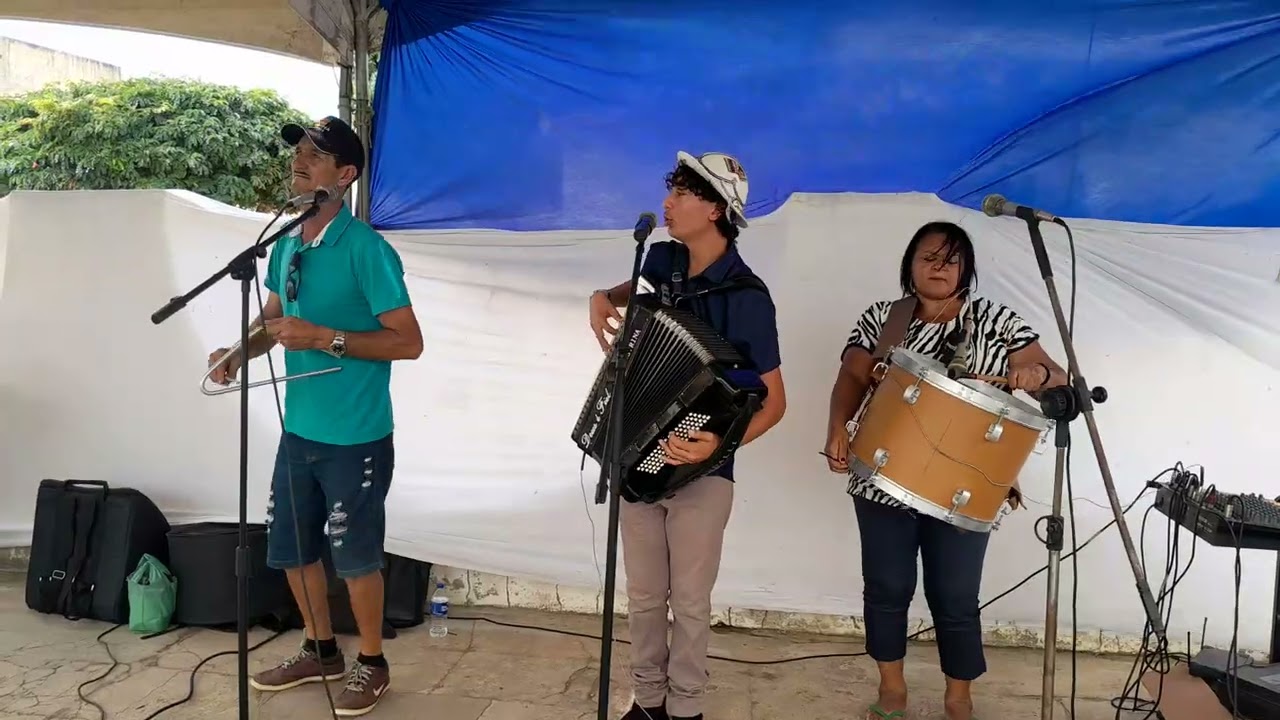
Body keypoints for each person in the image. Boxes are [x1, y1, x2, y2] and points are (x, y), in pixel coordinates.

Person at [206, 116, 423, 717]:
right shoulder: (285, 245)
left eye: (315, 156)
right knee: (294, 547)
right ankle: (320, 648)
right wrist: (236, 352)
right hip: (298, 431)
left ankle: (372, 662)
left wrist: (326, 337)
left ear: (345, 176)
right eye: (298, 152)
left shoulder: (368, 250)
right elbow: (274, 319)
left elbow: (408, 342)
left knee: (355, 555)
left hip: (356, 436)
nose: (299, 162)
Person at [822, 221, 1067, 720]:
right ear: (910, 265)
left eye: (950, 259)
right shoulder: (882, 318)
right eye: (928, 257)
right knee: (887, 585)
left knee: (955, 594)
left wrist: (1035, 375)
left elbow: (1055, 377)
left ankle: (959, 696)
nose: (938, 267)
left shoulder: (996, 320)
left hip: (966, 485)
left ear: (966, 270)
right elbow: (851, 371)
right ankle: (892, 688)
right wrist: (837, 428)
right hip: (883, 482)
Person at [587, 151, 787, 720]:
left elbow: (775, 403)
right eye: (669, 189)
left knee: (691, 603)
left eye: (681, 193)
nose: (667, 203)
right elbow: (629, 291)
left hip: (705, 472)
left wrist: (717, 446)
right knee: (645, 597)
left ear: (717, 209)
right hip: (635, 455)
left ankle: (687, 709)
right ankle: (647, 702)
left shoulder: (747, 298)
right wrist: (603, 295)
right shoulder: (663, 259)